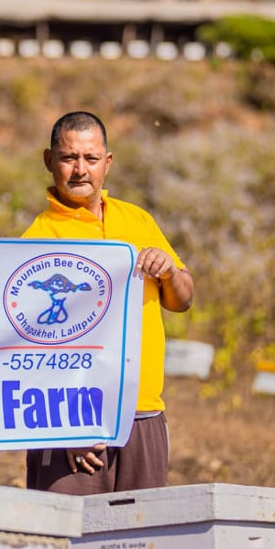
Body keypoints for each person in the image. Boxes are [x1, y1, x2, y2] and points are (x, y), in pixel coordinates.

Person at [23, 111, 194, 495]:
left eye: (91, 159)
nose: (80, 170)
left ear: (108, 163)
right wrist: (66, 427)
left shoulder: (137, 221)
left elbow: (183, 300)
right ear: (49, 161)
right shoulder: (35, 240)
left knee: (139, 548)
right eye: (69, 158)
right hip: (69, 429)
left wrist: (169, 272)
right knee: (65, 547)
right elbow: (25, 352)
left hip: (143, 415)